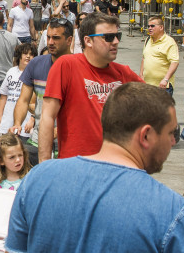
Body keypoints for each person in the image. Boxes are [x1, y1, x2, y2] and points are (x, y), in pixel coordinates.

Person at [5, 82, 184, 253]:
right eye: (171, 133)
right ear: (146, 135)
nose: (173, 142)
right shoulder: (174, 212)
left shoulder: (38, 178)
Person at [40, 12, 142, 162]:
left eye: (117, 36)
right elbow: (47, 117)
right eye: (108, 37)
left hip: (116, 168)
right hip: (76, 166)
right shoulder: (66, 65)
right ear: (88, 41)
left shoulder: (124, 73)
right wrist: (44, 165)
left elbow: (153, 107)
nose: (115, 42)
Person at [11, 18, 75, 166]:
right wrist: (17, 124)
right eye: (48, 37)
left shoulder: (80, 67)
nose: (50, 42)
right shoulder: (36, 64)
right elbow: (23, 100)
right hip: (37, 140)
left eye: (56, 38)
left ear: (69, 40)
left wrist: (57, 130)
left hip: (68, 144)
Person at [0, 43, 36, 148]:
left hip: (25, 124)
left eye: (31, 54)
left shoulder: (35, 74)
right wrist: (0, 116)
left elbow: (37, 102)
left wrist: (32, 119)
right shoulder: (11, 71)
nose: (28, 56)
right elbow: (3, 96)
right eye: (25, 53)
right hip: (7, 121)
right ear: (19, 56)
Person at [140, 16, 180, 96]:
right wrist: (141, 75)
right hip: (147, 85)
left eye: (152, 26)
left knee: (162, 108)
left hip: (163, 86)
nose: (149, 28)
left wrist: (166, 79)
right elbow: (144, 58)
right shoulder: (148, 40)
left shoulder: (169, 42)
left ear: (161, 27)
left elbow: (174, 62)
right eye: (148, 26)